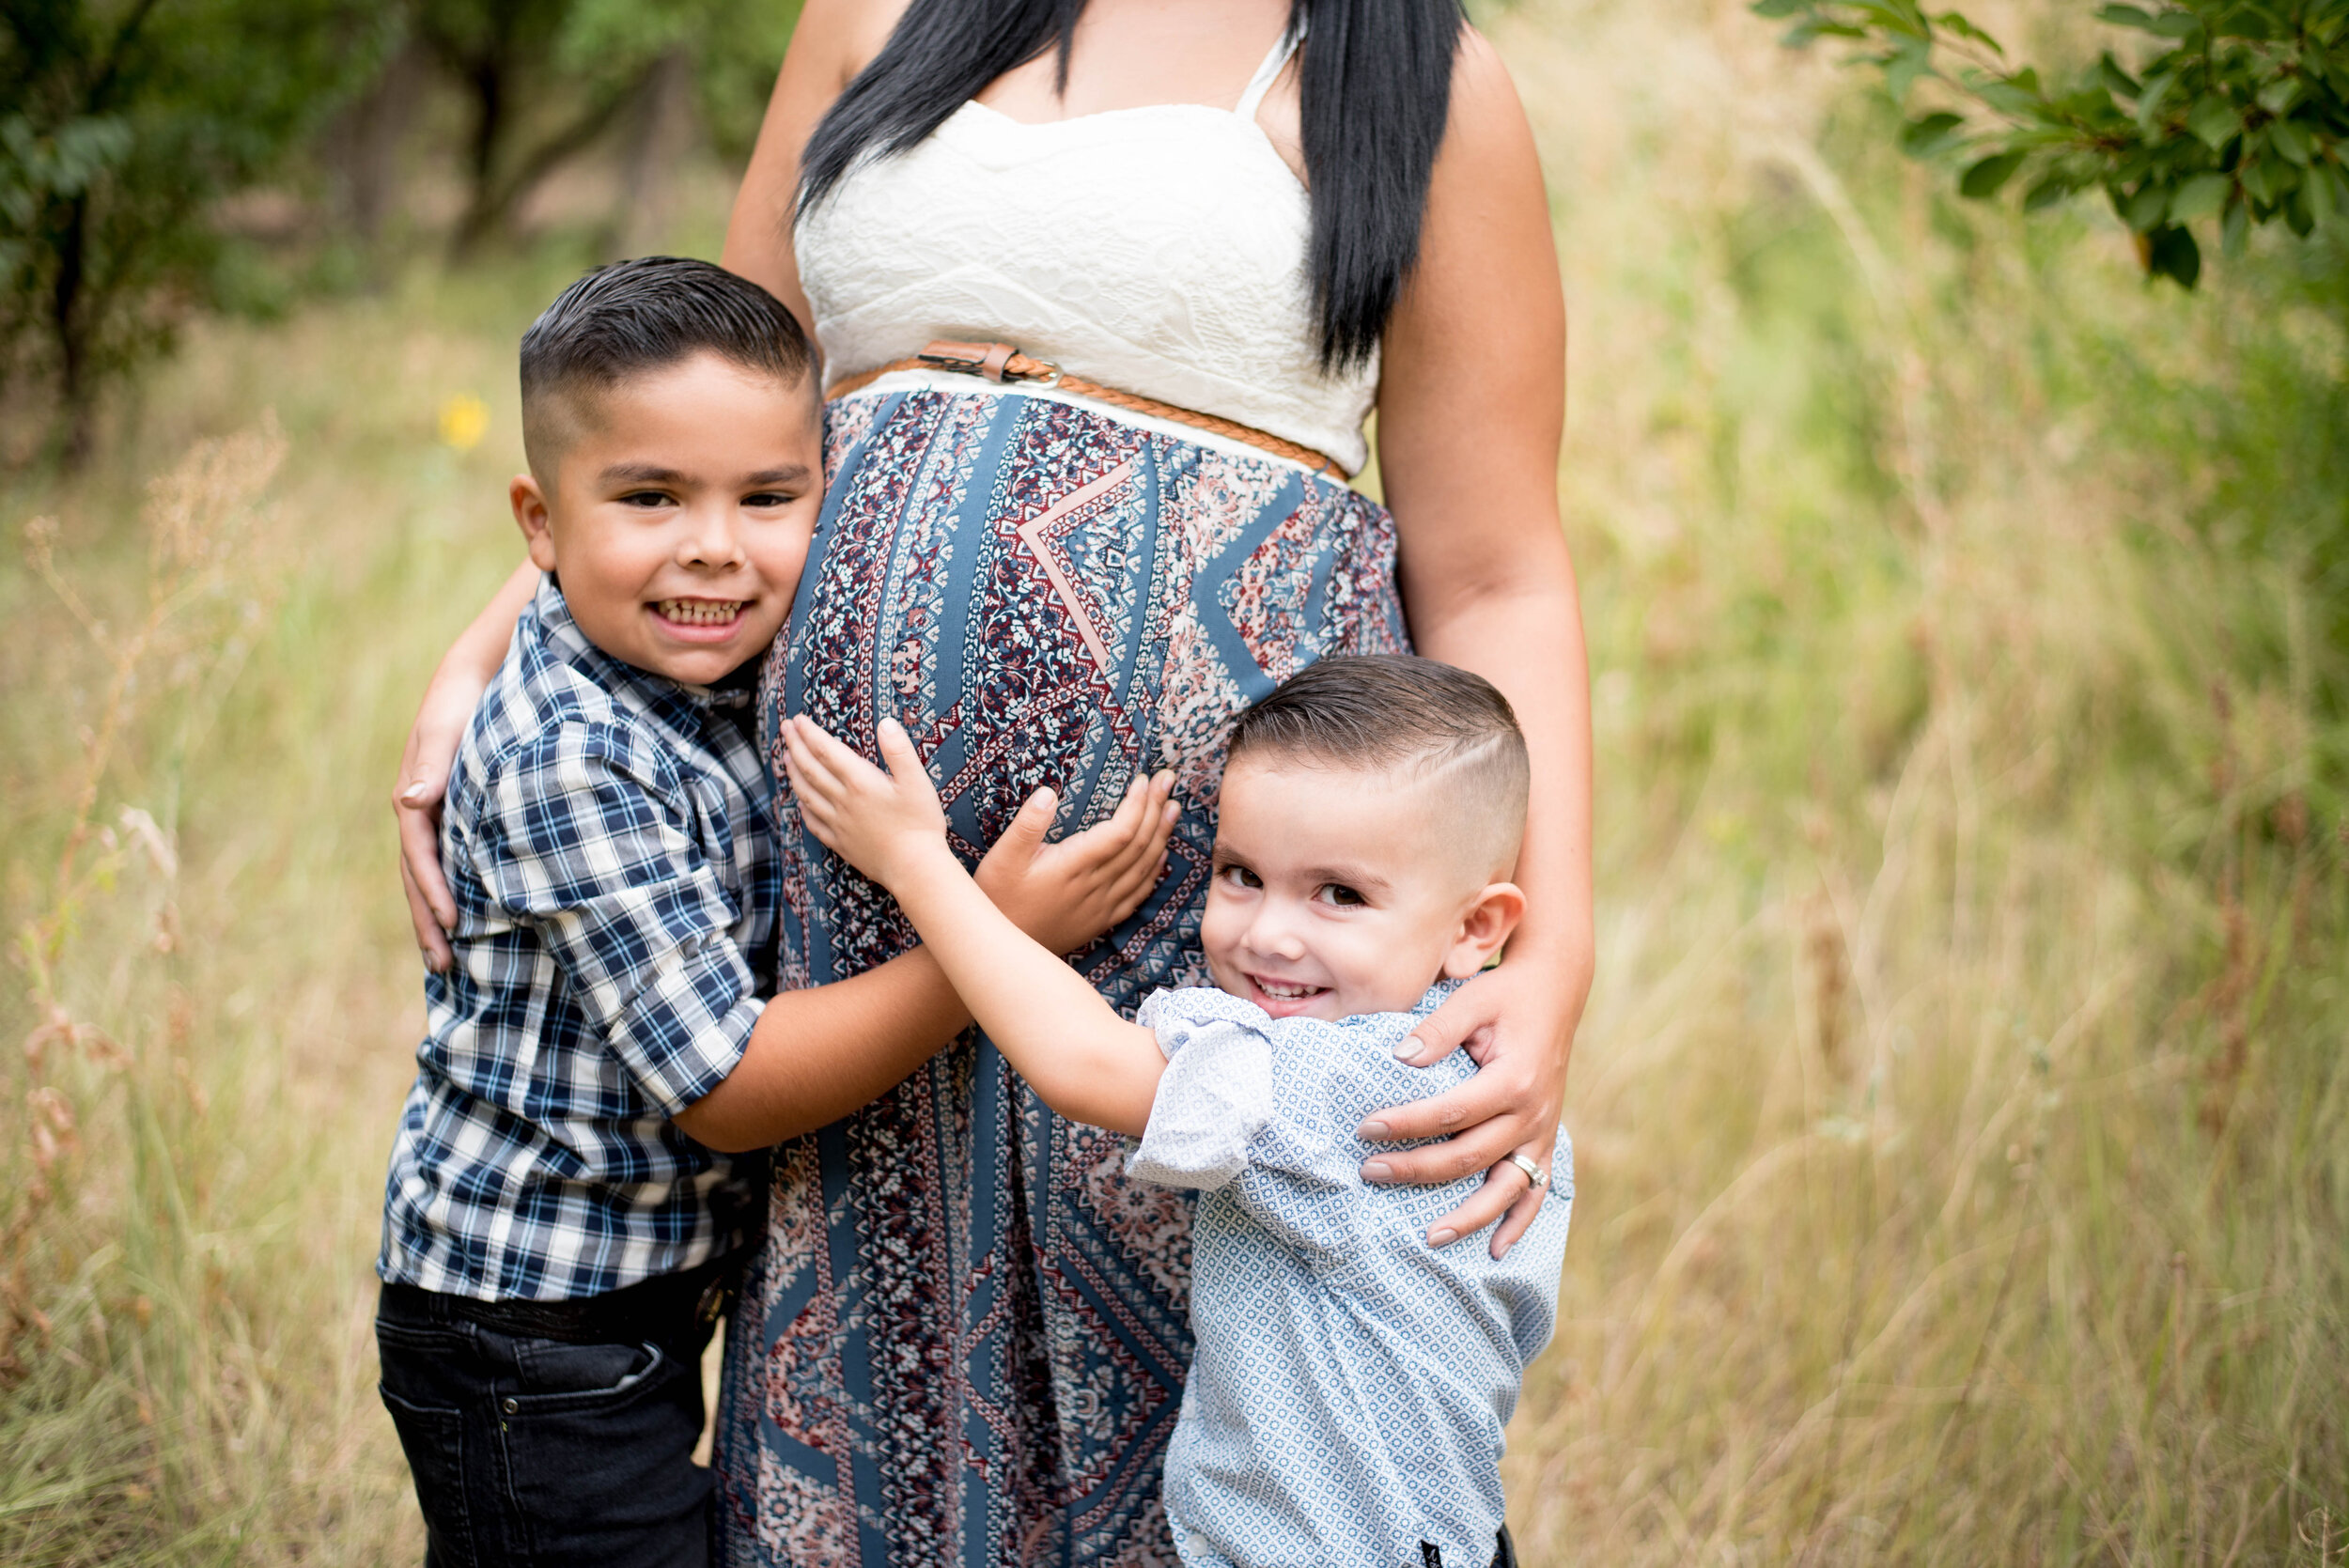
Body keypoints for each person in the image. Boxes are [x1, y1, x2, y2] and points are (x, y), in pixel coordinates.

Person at [395, 1, 1595, 1558]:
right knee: (878, 1357)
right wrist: (485, 649)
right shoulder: (873, 12)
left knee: (1192, 1355)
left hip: (1210, 895)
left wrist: (1551, 946)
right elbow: (694, 397)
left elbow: (1497, 569)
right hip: (852, 901)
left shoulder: (1417, 79)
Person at [374, 256, 1174, 1567]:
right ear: (539, 520)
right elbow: (730, 1085)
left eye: (768, 496)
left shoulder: (695, 674)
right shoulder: (573, 753)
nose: (713, 547)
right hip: (521, 1331)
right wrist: (991, 936)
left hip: (619, 1307)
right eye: (648, 497)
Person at [781, 656, 1571, 1568]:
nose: (1268, 932)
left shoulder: (1350, 1083)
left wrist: (916, 863)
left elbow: (1081, 1063)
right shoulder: (1487, 1069)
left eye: (1340, 894)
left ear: (1478, 928)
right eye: (1241, 873)